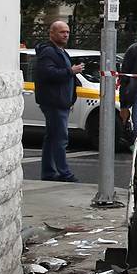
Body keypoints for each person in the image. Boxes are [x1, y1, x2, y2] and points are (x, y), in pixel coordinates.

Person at [34, 21, 84, 182]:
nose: (65, 35)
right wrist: (71, 71)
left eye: (67, 32)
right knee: (60, 138)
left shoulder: (60, 51)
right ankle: (64, 173)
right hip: (54, 102)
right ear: (52, 34)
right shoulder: (48, 52)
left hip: (61, 102)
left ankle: (48, 172)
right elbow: (47, 73)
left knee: (52, 138)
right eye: (62, 32)